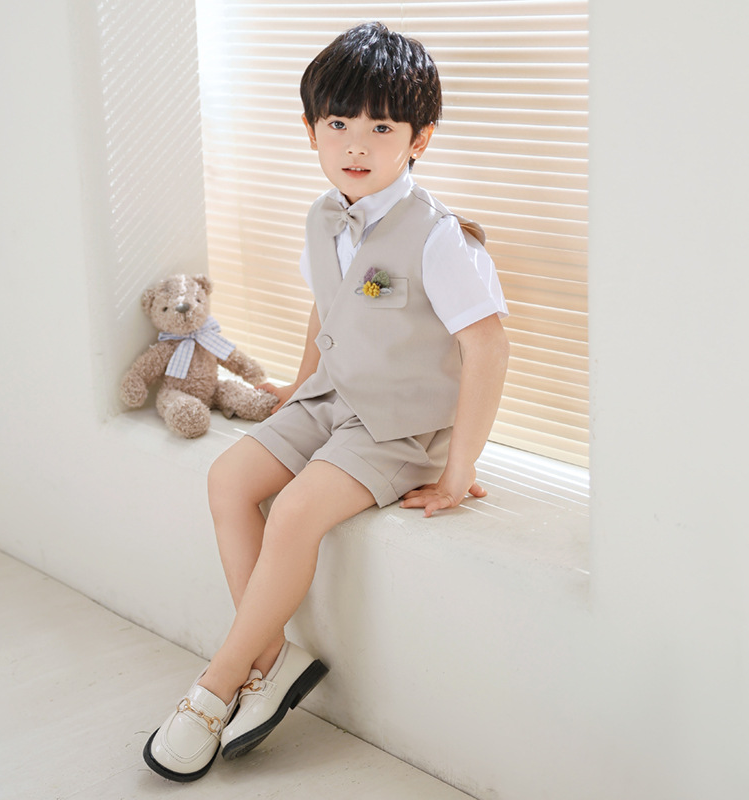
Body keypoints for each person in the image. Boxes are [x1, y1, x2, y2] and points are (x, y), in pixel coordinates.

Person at [143, 21, 510, 782]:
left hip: (399, 426)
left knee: (296, 512)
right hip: (330, 400)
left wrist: (459, 469)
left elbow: (488, 347)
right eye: (338, 123)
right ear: (310, 129)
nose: (356, 144)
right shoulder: (322, 215)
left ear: (420, 138)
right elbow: (329, 307)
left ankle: (218, 684)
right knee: (228, 480)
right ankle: (271, 658)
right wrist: (299, 382)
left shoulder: (442, 237)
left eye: (381, 127)